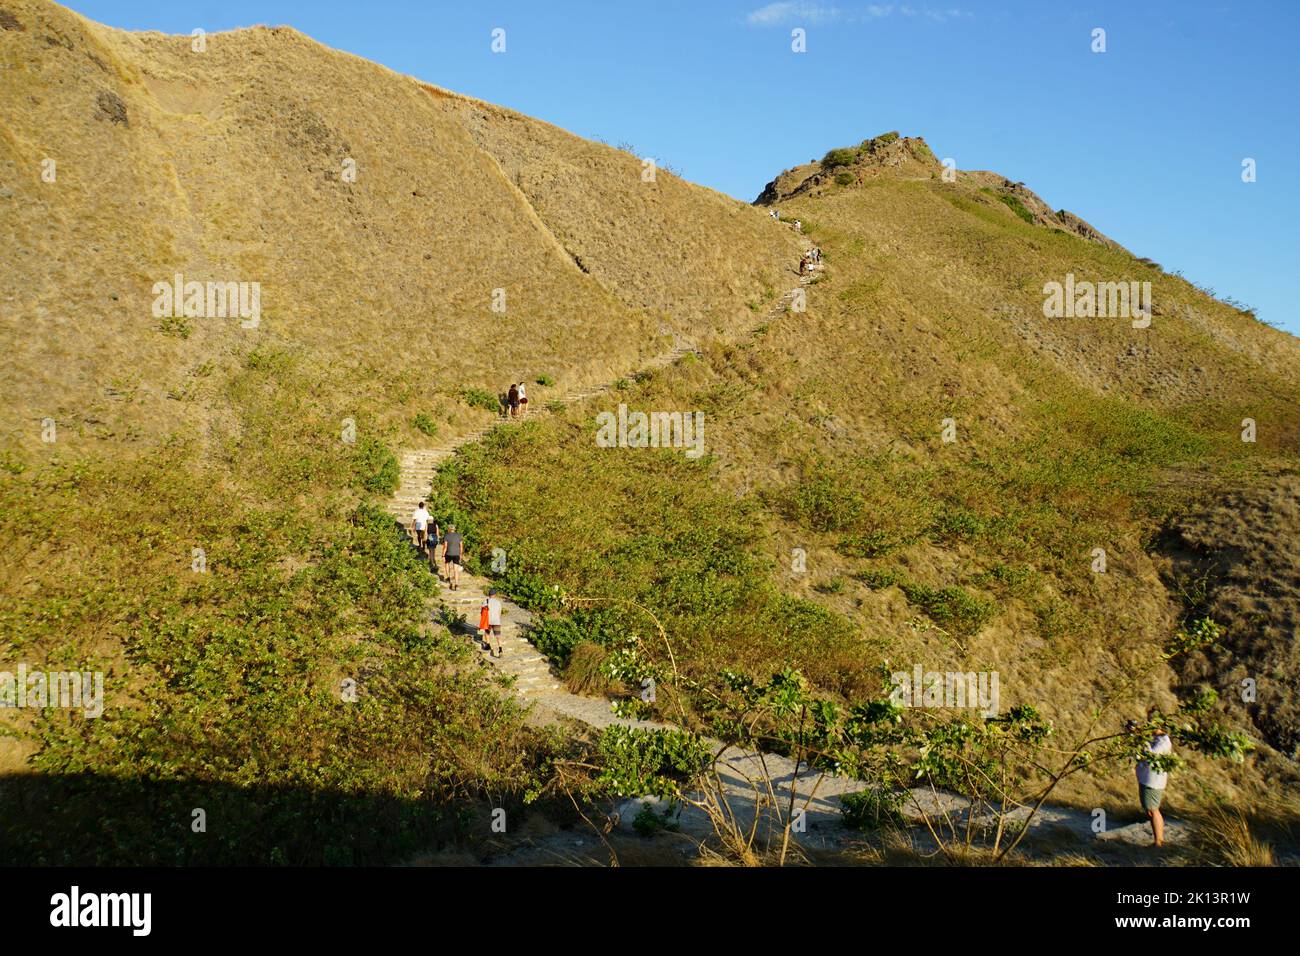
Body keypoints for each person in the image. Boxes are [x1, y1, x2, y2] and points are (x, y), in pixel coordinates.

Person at [1134, 710, 1173, 847]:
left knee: (1152, 810)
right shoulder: (1157, 739)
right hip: (1148, 778)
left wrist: (1139, 738)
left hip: (1153, 781)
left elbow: (1151, 755)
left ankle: (1158, 841)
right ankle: (1158, 840)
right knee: (1150, 810)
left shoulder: (1163, 742)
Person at [441, 523, 465, 590]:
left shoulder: (446, 536)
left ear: (449, 529)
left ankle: (448, 578)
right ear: (454, 529)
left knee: (446, 564)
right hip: (456, 554)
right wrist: (461, 555)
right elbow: (461, 546)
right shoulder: (459, 535)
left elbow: (445, 546)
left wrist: (443, 555)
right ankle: (457, 585)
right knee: (456, 570)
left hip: (448, 553)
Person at [482, 588, 504, 657]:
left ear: (489, 594)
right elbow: (499, 612)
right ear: (495, 595)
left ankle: (488, 645)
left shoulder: (486, 601)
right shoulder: (498, 602)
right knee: (498, 636)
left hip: (488, 621)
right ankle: (500, 649)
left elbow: (482, 612)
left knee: (487, 633)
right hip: (496, 621)